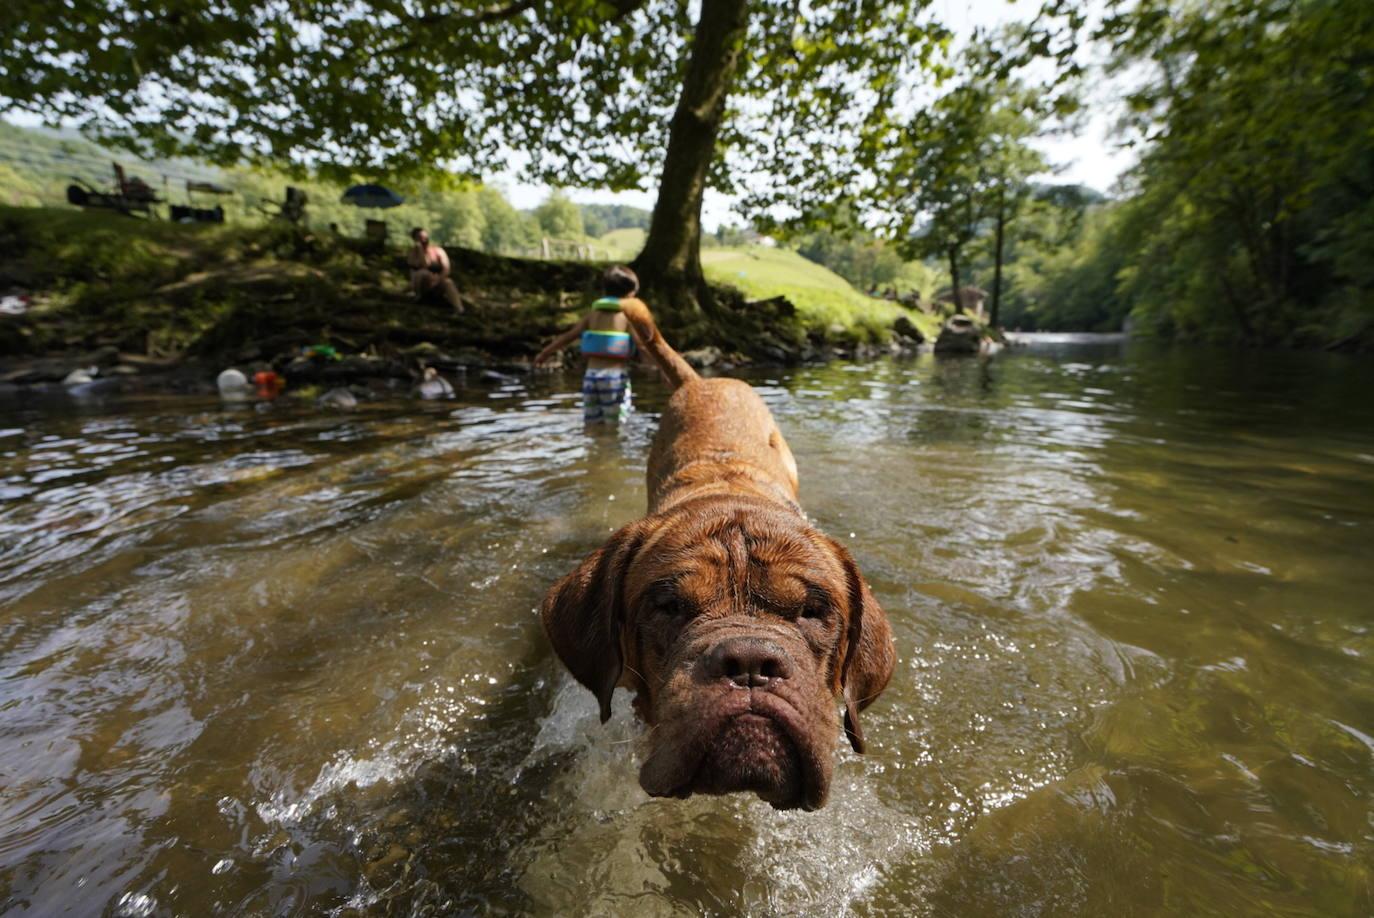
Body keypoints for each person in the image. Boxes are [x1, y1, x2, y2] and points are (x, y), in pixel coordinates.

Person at [534, 265, 645, 424]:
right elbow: (641, 346)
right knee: (616, 425)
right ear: (630, 295)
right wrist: (662, 369)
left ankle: (593, 441)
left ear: (604, 290)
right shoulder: (627, 316)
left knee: (592, 423)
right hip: (614, 378)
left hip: (591, 377)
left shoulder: (593, 314)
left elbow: (568, 336)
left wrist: (544, 353)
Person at [406, 227, 463, 311]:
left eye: (425, 237)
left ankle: (459, 309)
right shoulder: (413, 254)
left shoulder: (438, 251)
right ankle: (419, 297)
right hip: (421, 285)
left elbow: (446, 269)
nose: (424, 240)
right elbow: (424, 265)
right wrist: (420, 251)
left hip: (436, 285)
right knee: (423, 273)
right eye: (420, 237)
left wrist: (438, 279)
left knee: (448, 282)